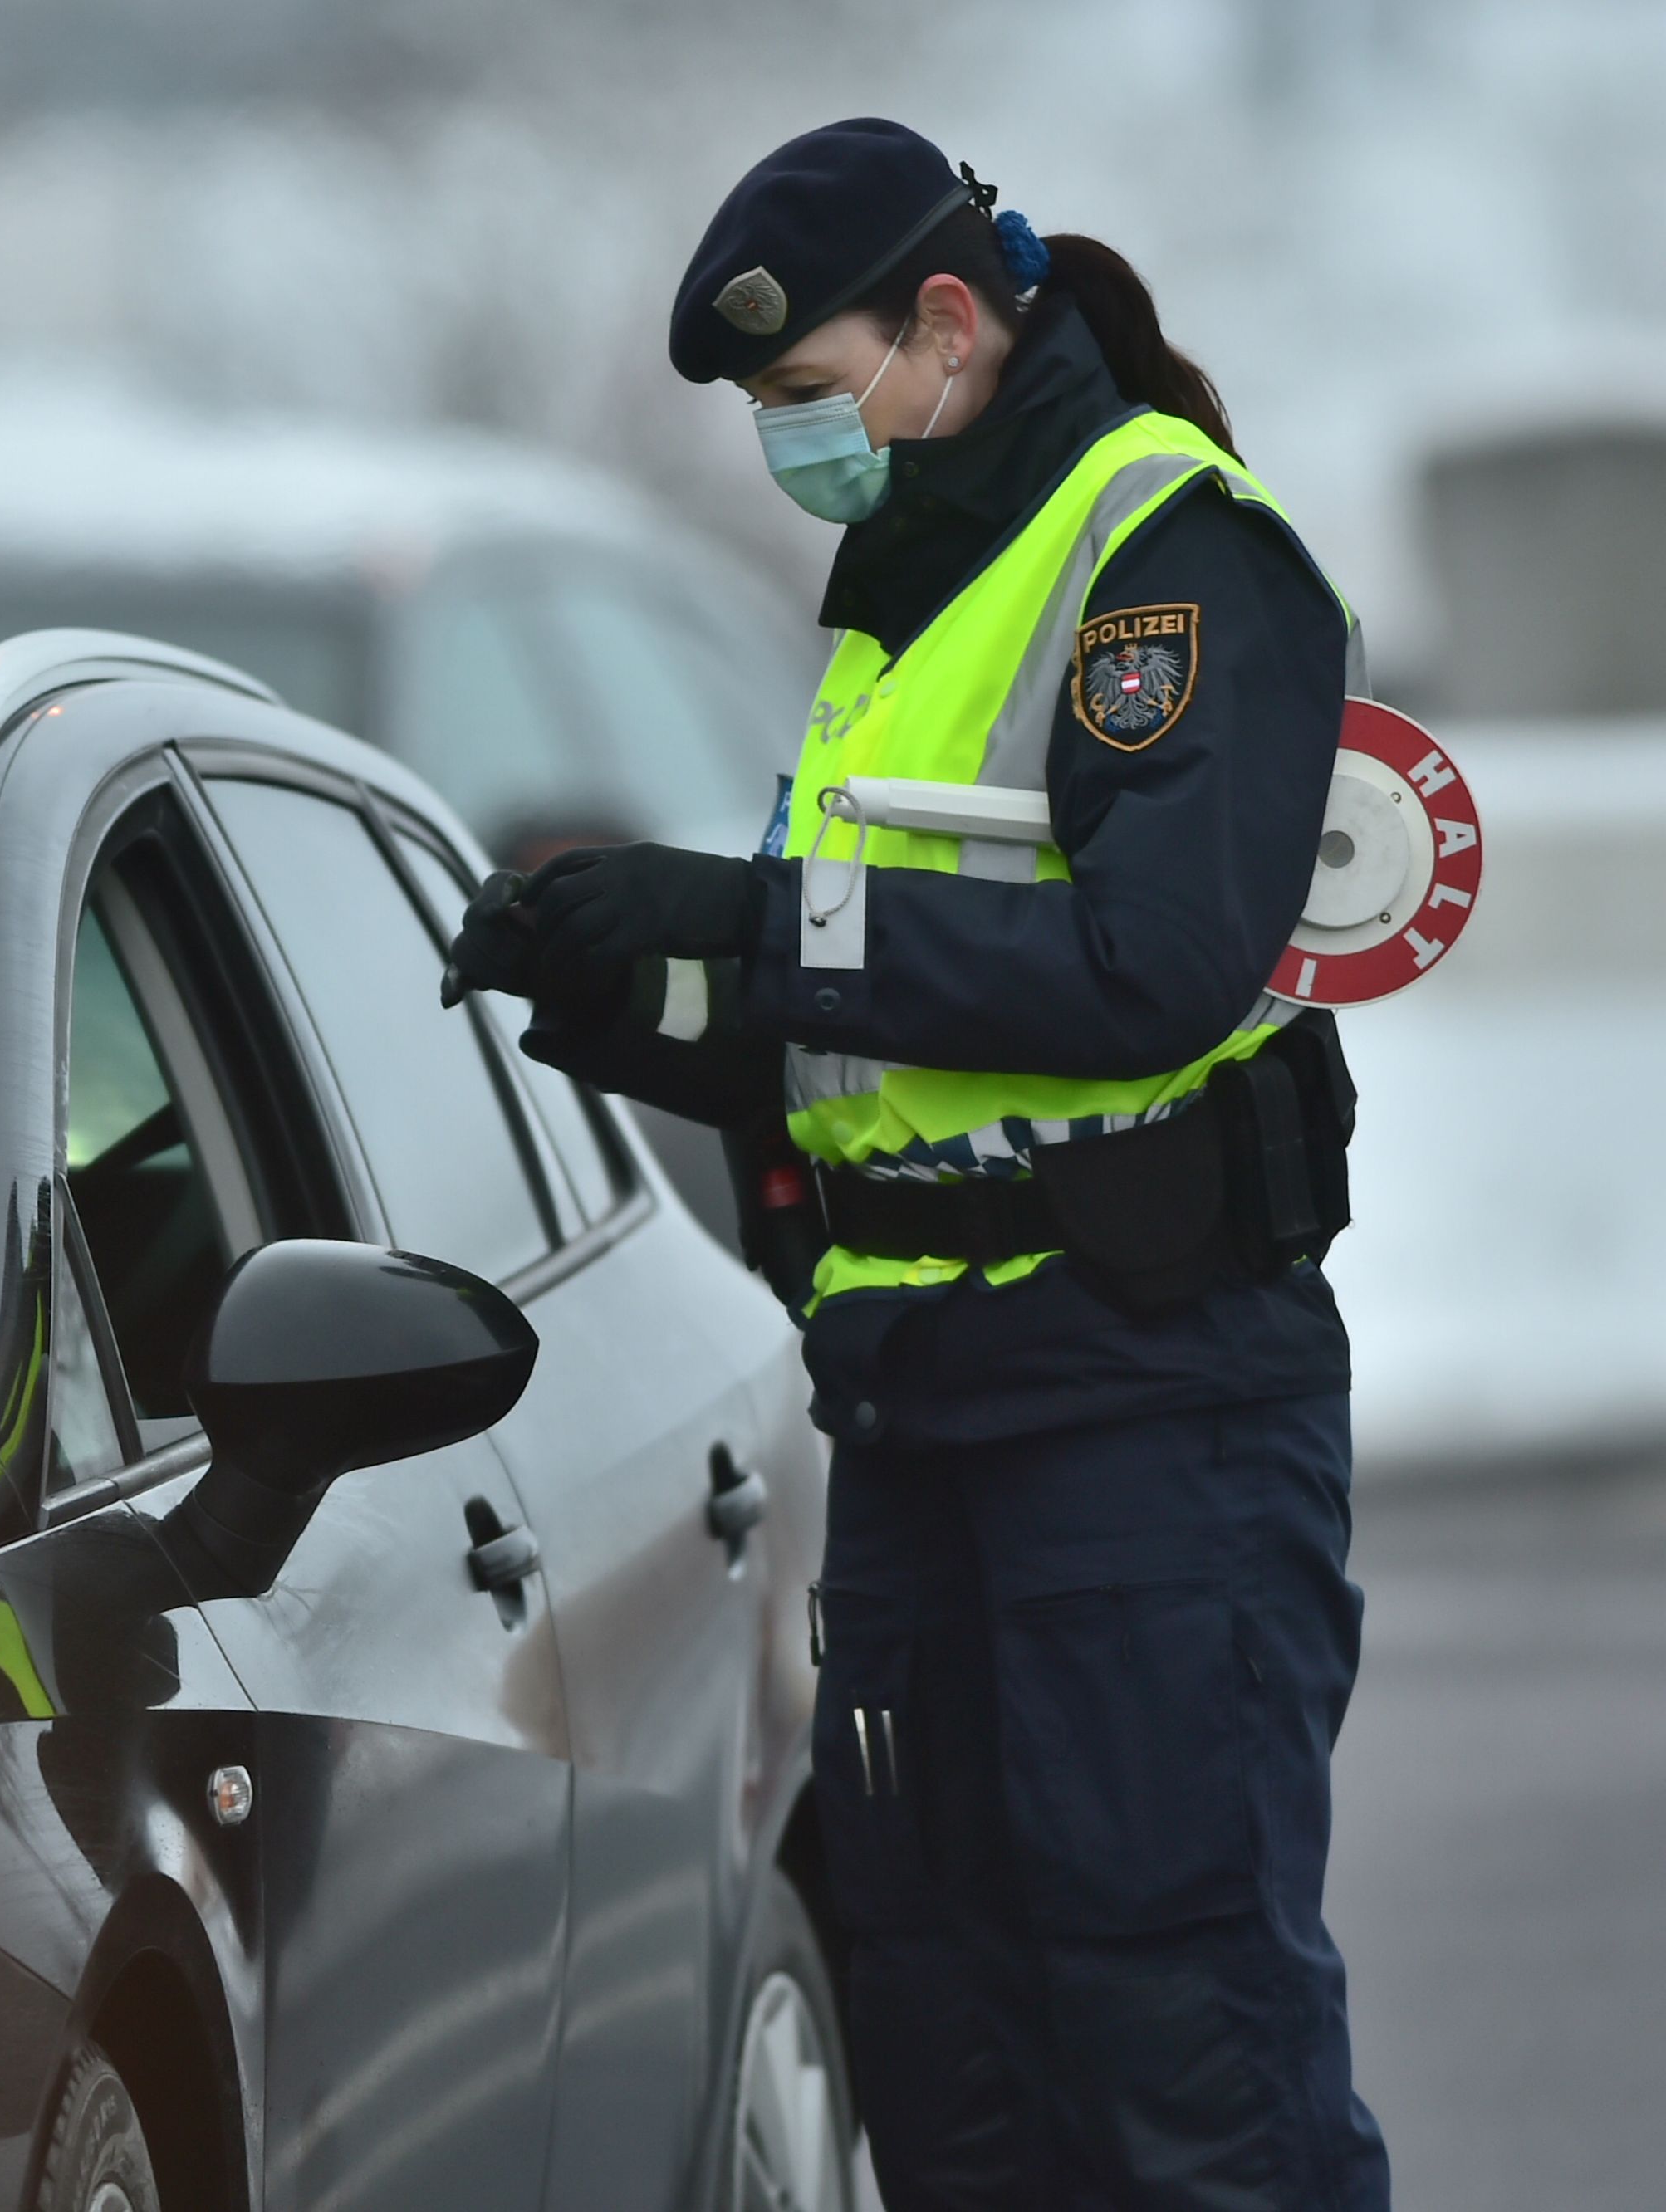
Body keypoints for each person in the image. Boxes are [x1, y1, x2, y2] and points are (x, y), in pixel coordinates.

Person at [447, 119, 1388, 2210]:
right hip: (918, 1418)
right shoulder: (904, 601)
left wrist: (748, 919)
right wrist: (614, 993)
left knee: (1180, 2056)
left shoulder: (1158, 547)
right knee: (950, 2053)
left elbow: (1145, 964)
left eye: (802, 396)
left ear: (941, 324)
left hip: (1140, 1412)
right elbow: (877, 1074)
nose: (790, 445)